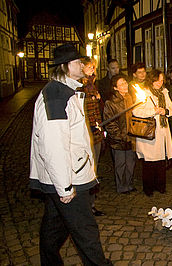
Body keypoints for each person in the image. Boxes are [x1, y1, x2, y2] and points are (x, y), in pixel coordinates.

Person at [29, 44, 111, 265]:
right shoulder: (56, 95)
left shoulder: (68, 91)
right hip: (70, 176)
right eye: (77, 62)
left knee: (54, 228)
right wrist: (64, 186)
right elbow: (53, 145)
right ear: (65, 67)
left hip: (70, 172)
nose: (83, 65)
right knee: (85, 229)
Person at [133, 69, 172, 196]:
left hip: (162, 130)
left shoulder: (164, 93)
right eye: (157, 80)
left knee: (161, 160)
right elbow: (136, 111)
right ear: (151, 80)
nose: (159, 83)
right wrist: (153, 112)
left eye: (162, 80)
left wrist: (165, 111)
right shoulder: (144, 93)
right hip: (150, 132)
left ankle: (160, 186)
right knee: (149, 161)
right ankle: (148, 188)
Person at [103, 74, 137, 194]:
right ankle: (121, 186)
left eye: (125, 82)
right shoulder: (111, 102)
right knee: (121, 164)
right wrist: (121, 136)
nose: (125, 85)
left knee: (130, 163)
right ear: (115, 88)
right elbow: (110, 123)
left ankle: (129, 184)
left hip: (130, 137)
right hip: (119, 140)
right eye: (121, 84)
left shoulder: (130, 98)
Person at [80, 56, 105, 216]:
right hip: (85, 134)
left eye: (93, 68)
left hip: (95, 133)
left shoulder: (92, 85)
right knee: (86, 170)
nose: (93, 71)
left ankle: (91, 203)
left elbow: (97, 109)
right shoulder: (79, 87)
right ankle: (85, 206)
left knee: (94, 169)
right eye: (89, 68)